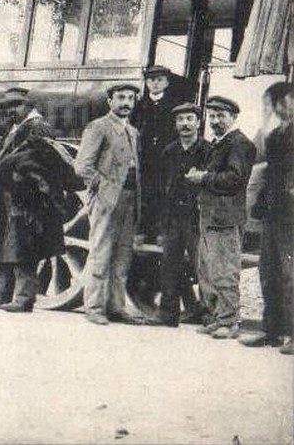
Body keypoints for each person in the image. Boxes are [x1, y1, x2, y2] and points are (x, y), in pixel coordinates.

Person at [0, 87, 69, 313]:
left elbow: (41, 162)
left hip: (23, 198)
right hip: (3, 197)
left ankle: (23, 298)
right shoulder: (14, 128)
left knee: (22, 249)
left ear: (28, 106)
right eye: (7, 106)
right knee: (1, 245)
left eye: (16, 105)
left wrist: (20, 181)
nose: (10, 110)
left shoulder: (38, 127)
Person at [186, 96, 256, 339]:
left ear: (233, 117)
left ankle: (229, 322)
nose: (215, 121)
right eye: (212, 116)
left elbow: (235, 180)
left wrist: (203, 178)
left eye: (221, 116)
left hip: (225, 218)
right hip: (211, 216)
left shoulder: (239, 144)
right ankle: (219, 318)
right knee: (209, 270)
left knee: (225, 270)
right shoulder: (221, 143)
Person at [75, 83, 143, 326]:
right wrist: (102, 188)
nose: (126, 103)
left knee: (122, 256)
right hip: (106, 200)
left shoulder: (133, 131)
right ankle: (93, 307)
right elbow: (82, 166)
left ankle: (116, 307)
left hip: (130, 199)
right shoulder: (99, 127)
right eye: (121, 98)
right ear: (110, 101)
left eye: (130, 98)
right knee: (100, 253)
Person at [149, 103, 211, 327]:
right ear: (175, 124)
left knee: (202, 267)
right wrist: (161, 224)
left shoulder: (208, 151)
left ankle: (209, 315)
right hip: (173, 219)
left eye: (189, 119)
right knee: (169, 267)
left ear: (198, 123)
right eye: (181, 120)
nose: (185, 124)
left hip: (197, 219)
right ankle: (168, 315)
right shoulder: (169, 152)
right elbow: (161, 189)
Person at [244, 83, 294, 353]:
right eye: (276, 103)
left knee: (290, 274)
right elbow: (256, 155)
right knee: (269, 271)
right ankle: (271, 330)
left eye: (285, 101)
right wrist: (264, 122)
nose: (281, 108)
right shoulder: (276, 134)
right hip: (275, 211)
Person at [131, 65, 192, 241]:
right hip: (144, 158)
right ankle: (141, 231)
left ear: (166, 82)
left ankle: (161, 233)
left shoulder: (175, 106)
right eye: (151, 80)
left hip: (166, 158)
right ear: (146, 82)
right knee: (143, 193)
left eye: (160, 79)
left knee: (165, 193)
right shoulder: (138, 106)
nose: (155, 83)